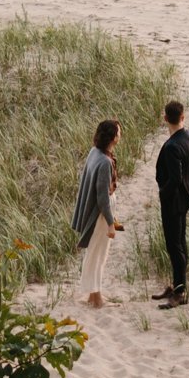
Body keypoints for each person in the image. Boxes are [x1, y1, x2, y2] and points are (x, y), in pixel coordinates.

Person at [151, 99, 189, 306]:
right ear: (183, 116)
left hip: (173, 200)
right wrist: (187, 177)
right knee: (179, 242)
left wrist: (163, 193)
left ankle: (180, 292)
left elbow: (173, 179)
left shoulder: (172, 147)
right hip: (185, 195)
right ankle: (177, 285)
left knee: (175, 245)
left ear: (165, 118)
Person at [70, 117, 121, 306]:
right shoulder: (105, 162)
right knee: (99, 254)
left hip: (97, 211)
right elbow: (102, 198)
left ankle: (93, 294)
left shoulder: (95, 152)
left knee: (93, 253)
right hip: (100, 214)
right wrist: (110, 223)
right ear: (113, 137)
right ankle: (97, 297)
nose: (120, 135)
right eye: (119, 132)